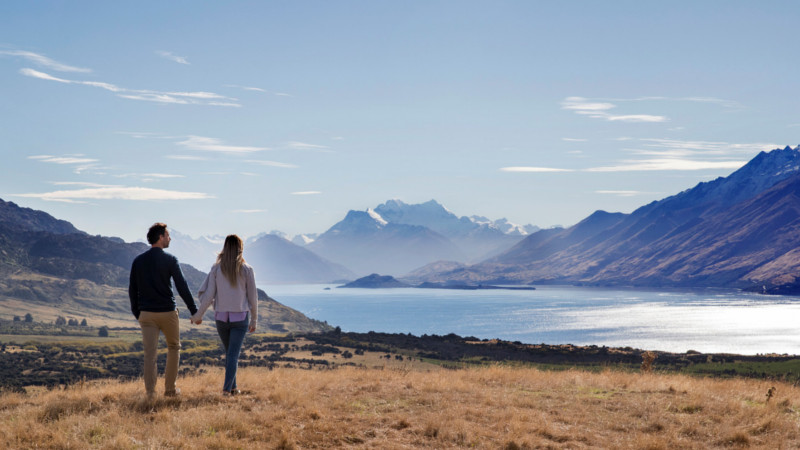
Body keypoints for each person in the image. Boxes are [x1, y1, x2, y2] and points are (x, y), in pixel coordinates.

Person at [129, 222, 199, 398]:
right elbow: (182, 287)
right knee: (174, 348)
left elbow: (132, 290)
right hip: (168, 312)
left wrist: (138, 313)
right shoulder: (170, 260)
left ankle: (151, 394)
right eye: (168, 235)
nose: (169, 238)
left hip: (146, 314)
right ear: (160, 237)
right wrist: (193, 310)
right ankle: (170, 390)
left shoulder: (138, 261)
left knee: (150, 355)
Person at [191, 234, 258, 396]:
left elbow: (207, 296)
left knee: (230, 354)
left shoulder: (216, 269)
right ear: (240, 249)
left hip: (221, 318)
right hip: (240, 318)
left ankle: (233, 387)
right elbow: (253, 298)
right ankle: (227, 390)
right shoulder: (247, 270)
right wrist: (254, 319)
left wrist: (198, 316)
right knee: (233, 355)